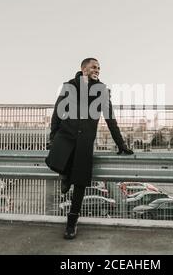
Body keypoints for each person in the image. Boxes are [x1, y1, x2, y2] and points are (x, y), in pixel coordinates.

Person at [45, 57, 133, 240]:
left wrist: (121, 144)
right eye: (94, 66)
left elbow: (110, 119)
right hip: (65, 136)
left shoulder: (102, 90)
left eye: (99, 68)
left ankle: (71, 222)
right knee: (54, 162)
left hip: (85, 142)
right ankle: (65, 175)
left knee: (80, 183)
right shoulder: (69, 86)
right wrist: (53, 137)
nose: (98, 70)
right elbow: (57, 112)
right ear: (83, 68)